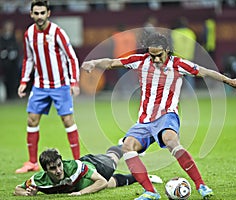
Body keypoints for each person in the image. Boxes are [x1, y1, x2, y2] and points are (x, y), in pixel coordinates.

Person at [81, 33, 236, 200]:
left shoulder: (178, 64)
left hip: (166, 116)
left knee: (171, 141)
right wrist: (94, 62)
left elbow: (205, 72)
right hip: (145, 121)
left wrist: (230, 81)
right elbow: (111, 63)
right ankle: (150, 192)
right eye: (152, 55)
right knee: (127, 146)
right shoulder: (140, 62)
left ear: (168, 50)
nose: (155, 60)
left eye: (159, 56)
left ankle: (201, 185)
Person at [16, 0, 81, 173]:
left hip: (60, 85)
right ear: (31, 14)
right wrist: (24, 81)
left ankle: (77, 162)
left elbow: (72, 58)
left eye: (42, 13)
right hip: (40, 85)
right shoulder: (29, 33)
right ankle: (32, 162)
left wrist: (74, 81)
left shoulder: (58, 33)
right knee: (32, 119)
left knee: (68, 121)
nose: (39, 16)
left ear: (48, 13)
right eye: (36, 13)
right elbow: (28, 58)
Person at [14, 145, 138, 196]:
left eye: (59, 165)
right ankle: (142, 177)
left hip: (95, 165)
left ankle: (126, 144)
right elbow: (17, 189)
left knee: (112, 158)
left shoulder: (74, 167)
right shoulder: (39, 180)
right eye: (52, 168)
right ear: (45, 171)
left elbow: (101, 182)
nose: (58, 170)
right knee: (113, 183)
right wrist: (28, 194)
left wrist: (80, 193)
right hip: (86, 181)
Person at [0, 20, 20, 100]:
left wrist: (14, 53)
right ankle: (8, 95)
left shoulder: (14, 37)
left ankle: (13, 95)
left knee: (14, 79)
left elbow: (17, 48)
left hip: (13, 63)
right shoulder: (2, 38)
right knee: (6, 79)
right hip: (4, 63)